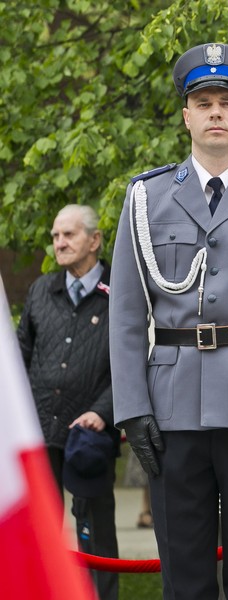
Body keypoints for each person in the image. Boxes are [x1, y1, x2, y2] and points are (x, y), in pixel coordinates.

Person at [109, 42, 228, 599]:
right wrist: (132, 407)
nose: (216, 112)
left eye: (227, 101)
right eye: (204, 101)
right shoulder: (147, 197)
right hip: (171, 412)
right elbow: (125, 310)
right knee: (183, 579)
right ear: (186, 115)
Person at [17, 204, 120, 600]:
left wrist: (102, 412)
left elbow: (134, 364)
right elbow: (21, 352)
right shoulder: (42, 289)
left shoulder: (121, 292)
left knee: (95, 532)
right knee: (37, 535)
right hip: (40, 429)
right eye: (56, 236)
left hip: (90, 435)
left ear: (94, 241)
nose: (59, 243)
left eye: (69, 235)